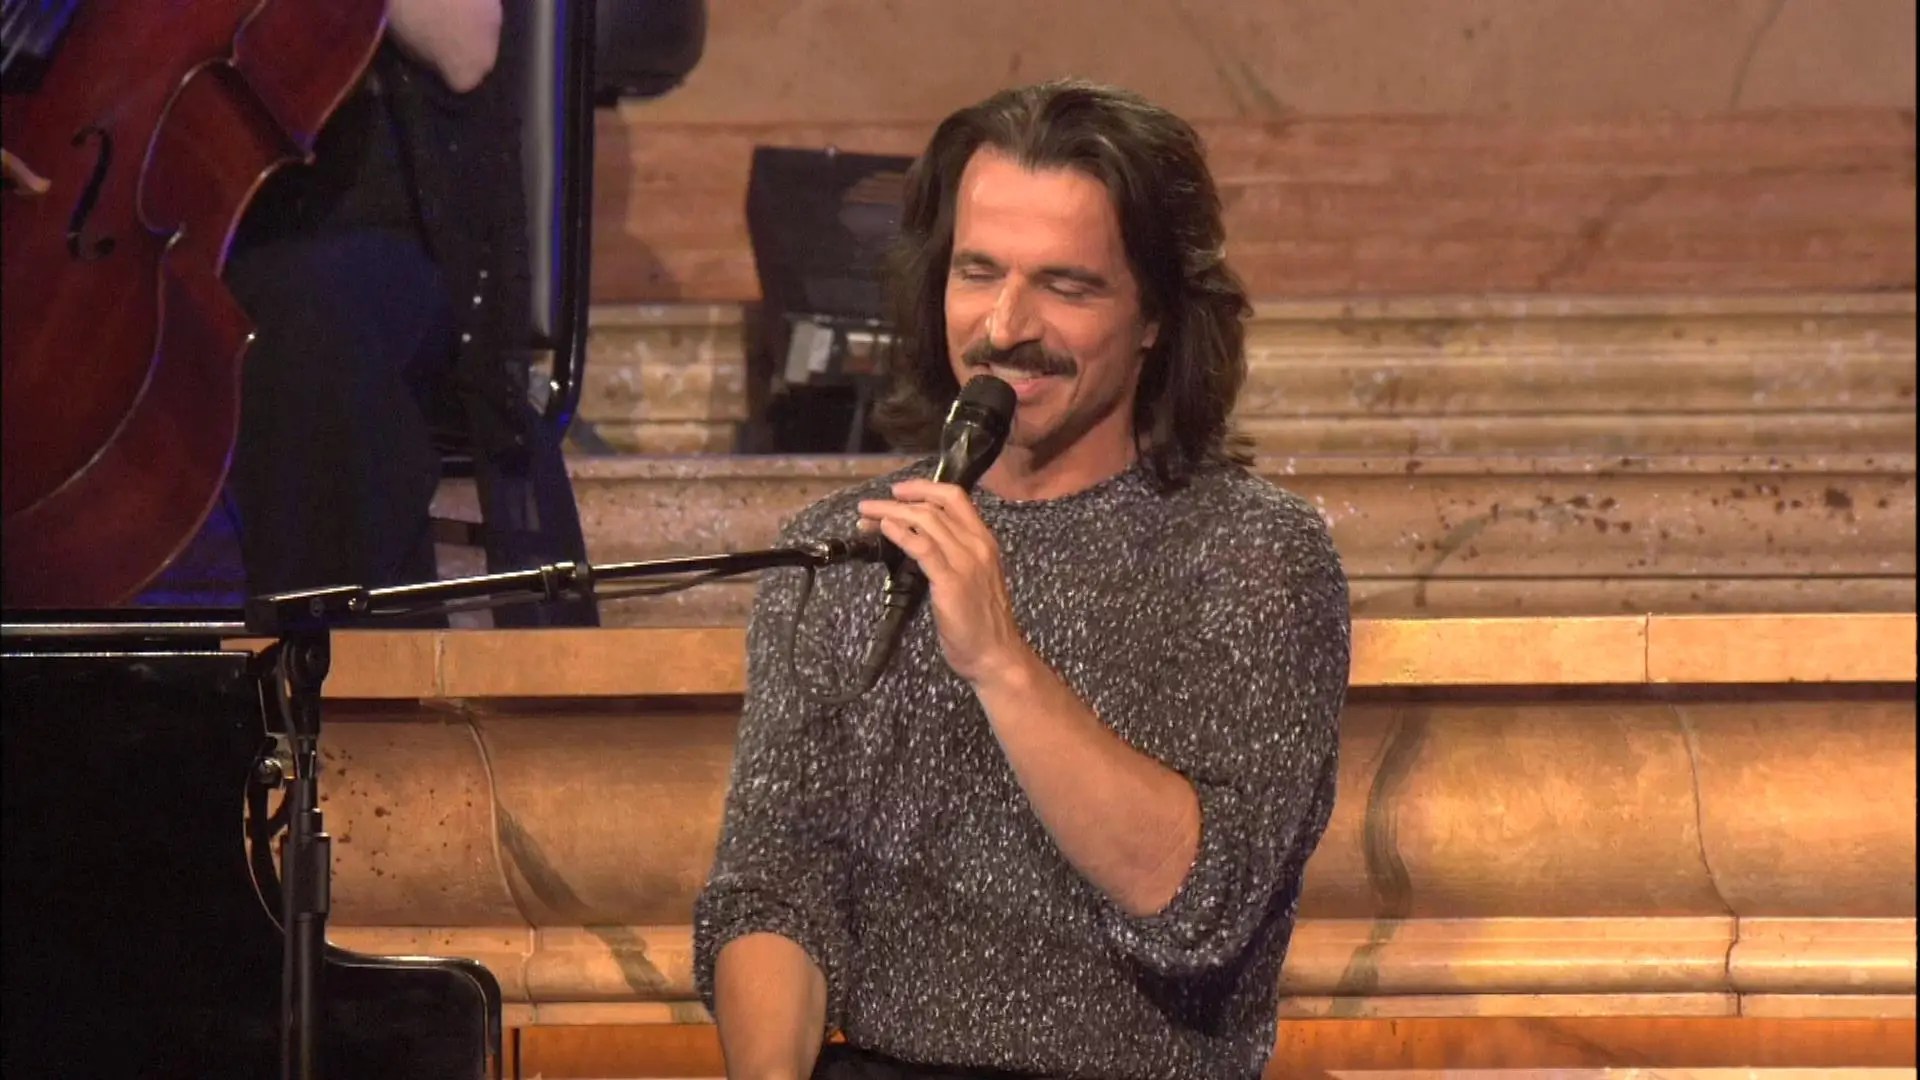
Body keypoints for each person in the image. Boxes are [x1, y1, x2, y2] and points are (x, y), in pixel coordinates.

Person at [693, 80, 1351, 1080]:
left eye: (1066, 286)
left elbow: (1198, 905)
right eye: (977, 272)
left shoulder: (1253, 557)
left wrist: (1000, 661)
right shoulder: (843, 550)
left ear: (1156, 315)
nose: (1004, 325)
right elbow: (774, 889)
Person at [144, 0, 597, 625]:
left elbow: (466, 46)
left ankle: (348, 668)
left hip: (373, 235)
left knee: (299, 327)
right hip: (165, 216)